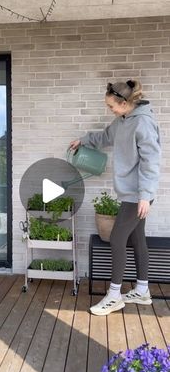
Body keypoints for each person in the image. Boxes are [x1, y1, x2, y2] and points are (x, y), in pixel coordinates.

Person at [69, 79, 161, 316]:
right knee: (137, 238)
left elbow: (151, 162)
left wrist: (145, 196)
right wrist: (84, 140)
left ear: (123, 103)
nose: (110, 110)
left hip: (138, 195)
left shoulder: (143, 123)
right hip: (133, 194)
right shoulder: (122, 121)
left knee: (117, 238)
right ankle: (142, 290)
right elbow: (105, 137)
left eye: (111, 106)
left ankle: (114, 296)